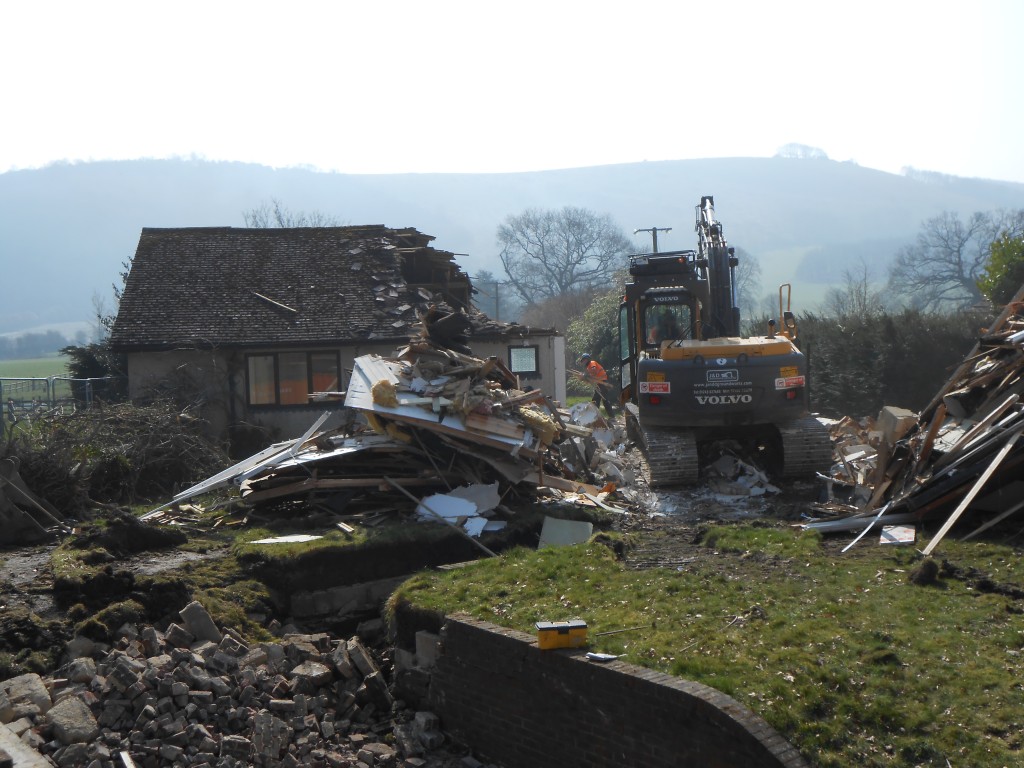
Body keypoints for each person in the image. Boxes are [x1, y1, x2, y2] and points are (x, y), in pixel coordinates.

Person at [580, 353, 617, 418]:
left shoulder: (592, 363)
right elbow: (591, 377)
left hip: (602, 382)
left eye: (584, 360)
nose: (583, 362)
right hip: (599, 383)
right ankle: (596, 416)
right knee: (597, 400)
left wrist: (586, 375)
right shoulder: (588, 367)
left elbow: (593, 370)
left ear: (588, 359)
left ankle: (610, 417)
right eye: (583, 361)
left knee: (599, 400)